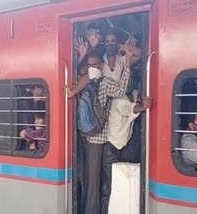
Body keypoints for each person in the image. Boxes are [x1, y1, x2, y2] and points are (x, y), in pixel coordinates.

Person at [76, 51, 130, 214]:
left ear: (100, 65)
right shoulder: (97, 81)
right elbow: (121, 90)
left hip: (94, 138)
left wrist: (126, 64)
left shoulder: (90, 82)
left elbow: (120, 90)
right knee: (94, 179)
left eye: (94, 64)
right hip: (94, 137)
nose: (92, 67)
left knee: (92, 179)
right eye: (89, 65)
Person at [100, 95, 152, 214]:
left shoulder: (130, 96)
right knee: (108, 188)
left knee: (115, 186)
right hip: (111, 148)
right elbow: (129, 108)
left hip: (119, 147)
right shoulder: (118, 99)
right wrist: (143, 106)